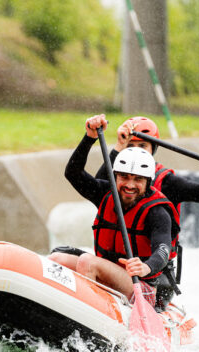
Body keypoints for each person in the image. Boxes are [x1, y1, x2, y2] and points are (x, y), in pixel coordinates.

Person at [49, 114, 179, 310]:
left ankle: (86, 314)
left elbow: (163, 249)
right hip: (110, 271)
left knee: (87, 262)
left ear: (148, 182)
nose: (129, 185)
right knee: (56, 260)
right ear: (115, 176)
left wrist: (145, 267)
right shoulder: (105, 193)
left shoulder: (157, 212)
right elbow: (73, 173)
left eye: (138, 180)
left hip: (144, 286)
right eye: (124, 177)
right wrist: (89, 137)